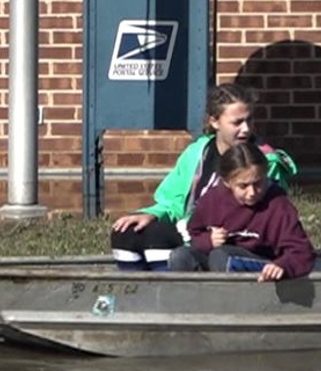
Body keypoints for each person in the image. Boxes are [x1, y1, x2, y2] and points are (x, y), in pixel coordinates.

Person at [108, 83, 298, 271]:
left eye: (249, 120)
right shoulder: (198, 152)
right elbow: (174, 200)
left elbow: (257, 213)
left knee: (158, 236)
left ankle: (168, 294)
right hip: (196, 230)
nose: (246, 129)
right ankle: (141, 293)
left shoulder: (264, 161)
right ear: (214, 122)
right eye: (237, 122)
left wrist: (197, 231)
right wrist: (153, 214)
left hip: (231, 239)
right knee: (126, 232)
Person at [171, 141, 316, 280]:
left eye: (258, 183)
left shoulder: (277, 205)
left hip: (263, 266)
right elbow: (194, 232)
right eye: (243, 186)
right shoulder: (212, 200)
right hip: (220, 259)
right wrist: (208, 240)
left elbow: (302, 251)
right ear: (227, 182)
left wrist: (283, 265)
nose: (252, 192)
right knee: (181, 256)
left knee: (221, 256)